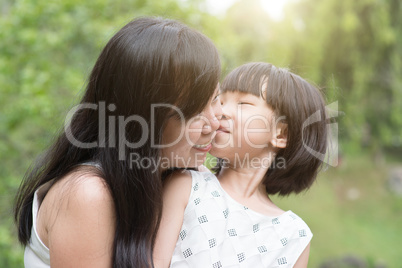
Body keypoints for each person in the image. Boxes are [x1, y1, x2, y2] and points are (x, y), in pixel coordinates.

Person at [14, 17, 222, 267]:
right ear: (141, 119)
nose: (214, 123)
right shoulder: (88, 195)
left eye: (216, 99)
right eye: (194, 112)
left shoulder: (180, 179)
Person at [154, 62, 328, 267]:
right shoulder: (186, 186)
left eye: (243, 103)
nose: (220, 111)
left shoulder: (293, 236)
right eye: (219, 100)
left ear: (281, 134)